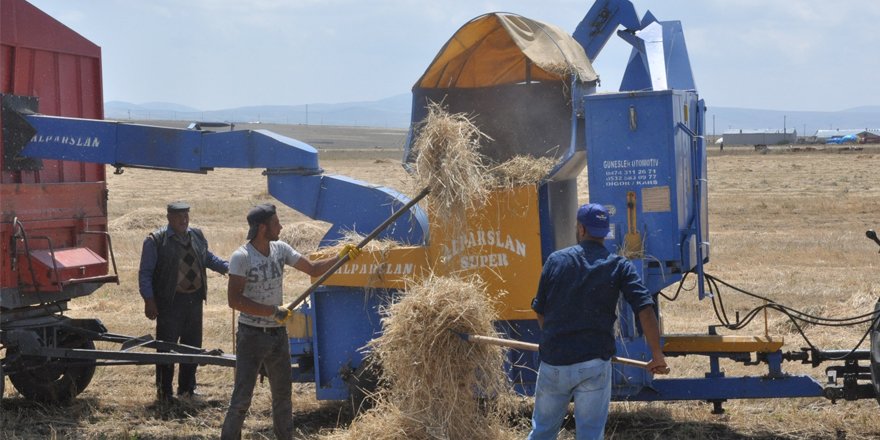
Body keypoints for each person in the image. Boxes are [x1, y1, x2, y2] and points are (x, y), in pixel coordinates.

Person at [528, 203, 669, 440]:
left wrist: (554, 337)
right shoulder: (618, 265)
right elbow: (645, 308)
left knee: (542, 432)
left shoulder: (556, 260)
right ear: (605, 232)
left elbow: (540, 310)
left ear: (581, 229)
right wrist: (657, 355)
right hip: (594, 365)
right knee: (590, 435)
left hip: (554, 363)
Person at [221, 203, 360, 439]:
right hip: (251, 335)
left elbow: (313, 269)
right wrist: (271, 311)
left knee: (283, 398)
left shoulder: (280, 249)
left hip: (277, 335)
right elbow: (234, 300)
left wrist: (342, 257)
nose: (281, 227)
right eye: (276, 223)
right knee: (242, 399)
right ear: (263, 228)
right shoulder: (241, 257)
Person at [138, 201, 229, 402]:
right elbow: (145, 274)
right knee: (166, 349)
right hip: (170, 303)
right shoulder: (156, 240)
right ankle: (164, 394)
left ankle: (187, 390)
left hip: (194, 301)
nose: (184, 220)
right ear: (169, 217)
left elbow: (208, 258)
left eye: (186, 215)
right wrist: (149, 300)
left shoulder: (196, 235)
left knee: (192, 346)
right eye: (179, 216)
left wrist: (227, 267)